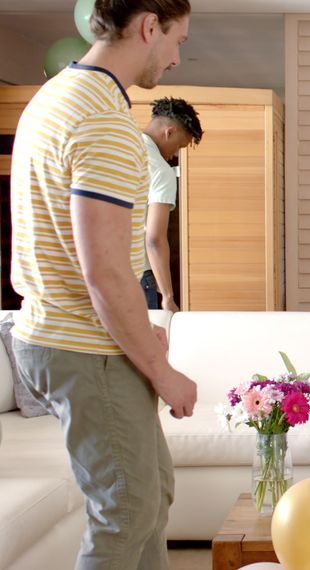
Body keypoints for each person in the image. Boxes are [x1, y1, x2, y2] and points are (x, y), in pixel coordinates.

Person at [9, 1, 198, 568]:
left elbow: (76, 253)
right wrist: (162, 373)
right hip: (84, 347)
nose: (176, 57)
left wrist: (141, 334)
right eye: (177, 39)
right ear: (147, 26)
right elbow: (106, 270)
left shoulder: (57, 98)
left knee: (149, 496)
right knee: (125, 510)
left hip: (65, 335)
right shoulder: (103, 124)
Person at [141, 96, 202, 311]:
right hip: (137, 276)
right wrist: (167, 296)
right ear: (169, 132)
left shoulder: (118, 148)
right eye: (179, 146)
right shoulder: (160, 170)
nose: (175, 154)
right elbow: (154, 239)